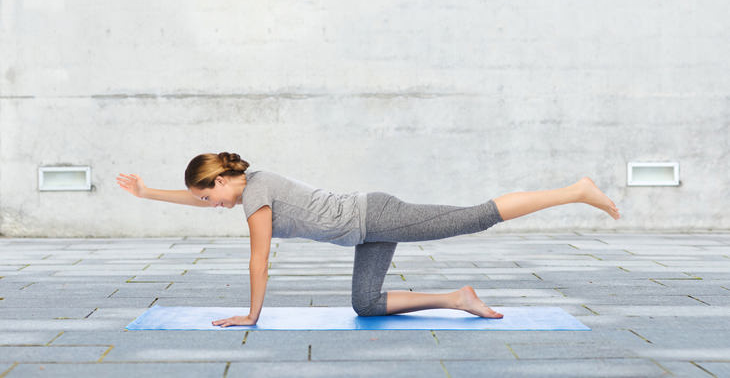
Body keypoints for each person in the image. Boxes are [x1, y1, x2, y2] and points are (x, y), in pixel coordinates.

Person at [116, 152, 620, 328]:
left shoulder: (257, 196)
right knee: (366, 304)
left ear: (221, 181)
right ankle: (457, 298)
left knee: (474, 218)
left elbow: (258, 259)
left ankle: (575, 191)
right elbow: (196, 200)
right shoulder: (248, 189)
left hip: (376, 216)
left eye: (211, 197)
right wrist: (146, 194)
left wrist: (252, 314)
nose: (212, 205)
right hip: (364, 230)